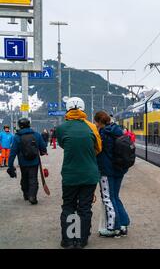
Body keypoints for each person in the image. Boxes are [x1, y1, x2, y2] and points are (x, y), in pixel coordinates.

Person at [56, 97, 102, 249]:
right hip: (89, 174)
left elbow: (63, 144)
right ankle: (81, 241)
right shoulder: (92, 127)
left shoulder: (61, 128)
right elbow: (98, 148)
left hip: (70, 175)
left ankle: (69, 240)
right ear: (83, 109)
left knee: (68, 206)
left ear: (68, 109)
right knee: (84, 207)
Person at [94, 111, 130, 237]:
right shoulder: (117, 130)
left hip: (106, 171)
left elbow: (97, 151)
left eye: (95, 122)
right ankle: (123, 224)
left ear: (98, 122)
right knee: (115, 196)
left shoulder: (103, 134)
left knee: (108, 198)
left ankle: (113, 228)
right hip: (119, 170)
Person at [7, 118, 47, 205]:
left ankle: (26, 194)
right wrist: (42, 151)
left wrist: (10, 165)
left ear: (19, 126)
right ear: (29, 124)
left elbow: (13, 152)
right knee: (33, 179)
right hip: (34, 162)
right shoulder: (36, 135)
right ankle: (32, 196)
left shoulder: (17, 137)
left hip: (23, 162)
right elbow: (43, 147)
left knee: (24, 178)